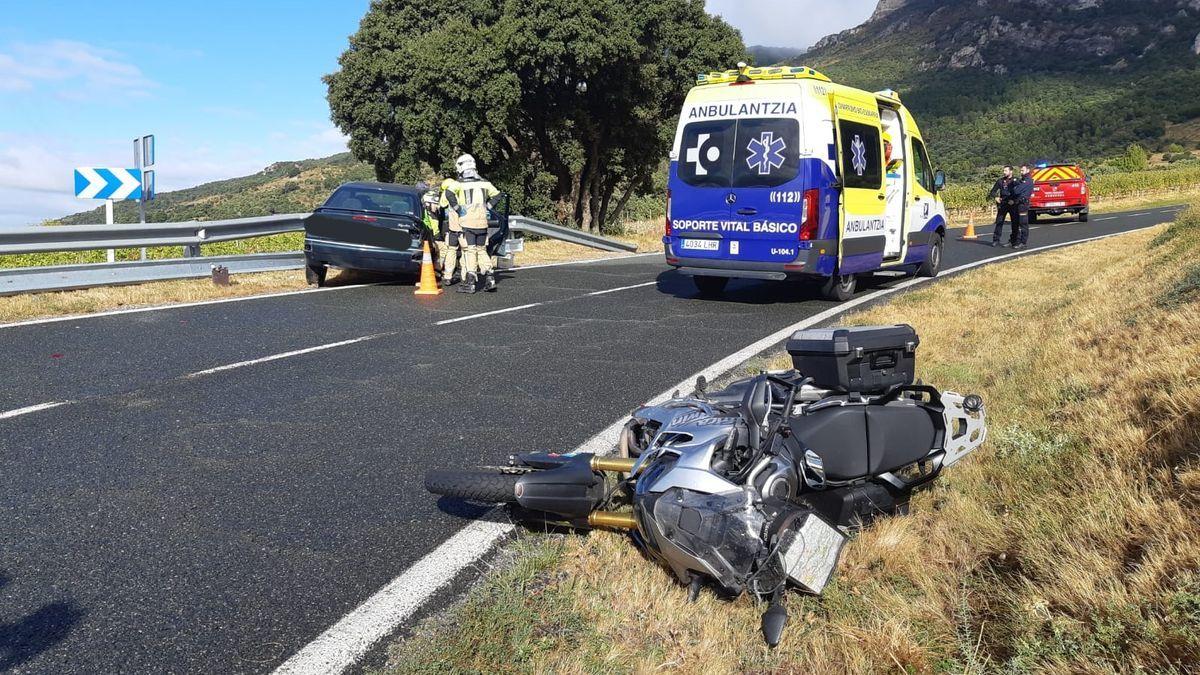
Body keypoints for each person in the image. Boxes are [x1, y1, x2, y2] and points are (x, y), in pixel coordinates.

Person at [442, 154, 502, 293]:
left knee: (470, 251)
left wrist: (457, 208)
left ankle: (470, 282)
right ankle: (490, 277)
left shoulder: (459, 184)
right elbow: (498, 195)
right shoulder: (485, 183)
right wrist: (488, 206)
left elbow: (449, 194)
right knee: (481, 250)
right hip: (482, 222)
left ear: (461, 167)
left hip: (467, 223)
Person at [987, 166, 1018, 247]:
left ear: (1011, 171)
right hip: (1003, 203)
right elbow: (993, 191)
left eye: (1006, 170)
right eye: (1003, 171)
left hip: (1012, 203)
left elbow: (1020, 192)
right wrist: (995, 197)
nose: (1004, 172)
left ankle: (1014, 240)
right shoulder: (1000, 181)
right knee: (999, 222)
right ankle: (996, 239)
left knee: (1014, 223)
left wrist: (1014, 200)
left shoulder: (1016, 180)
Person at [1011, 164, 1035, 249]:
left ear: (1027, 170)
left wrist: (1016, 185)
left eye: (1022, 170)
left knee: (1023, 223)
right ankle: (1016, 240)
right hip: (1019, 204)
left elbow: (1017, 191)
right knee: (1017, 223)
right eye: (1020, 170)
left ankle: (1023, 242)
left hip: (1023, 204)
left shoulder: (1027, 181)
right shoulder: (1023, 180)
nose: (1021, 172)